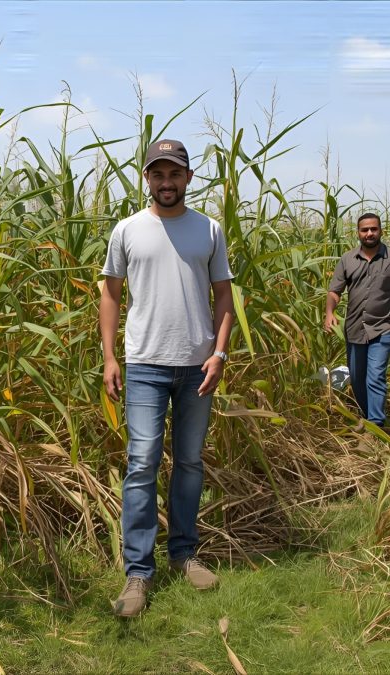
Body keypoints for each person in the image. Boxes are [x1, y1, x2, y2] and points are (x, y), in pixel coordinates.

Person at [100, 139, 235, 618]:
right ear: (146, 179)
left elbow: (224, 297)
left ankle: (183, 555)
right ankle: (139, 572)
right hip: (145, 365)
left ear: (188, 179)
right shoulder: (128, 231)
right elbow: (111, 295)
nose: (166, 183)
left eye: (174, 174)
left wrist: (219, 353)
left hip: (198, 365)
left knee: (190, 462)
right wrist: (110, 357)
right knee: (141, 463)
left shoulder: (209, 230)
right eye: (158, 174)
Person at [324, 213, 390, 432]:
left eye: (373, 229)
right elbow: (335, 291)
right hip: (354, 328)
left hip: (382, 328)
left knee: (375, 376)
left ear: (381, 230)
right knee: (356, 379)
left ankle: (376, 426)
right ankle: (367, 417)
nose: (369, 233)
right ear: (358, 233)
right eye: (365, 230)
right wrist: (329, 312)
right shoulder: (347, 259)